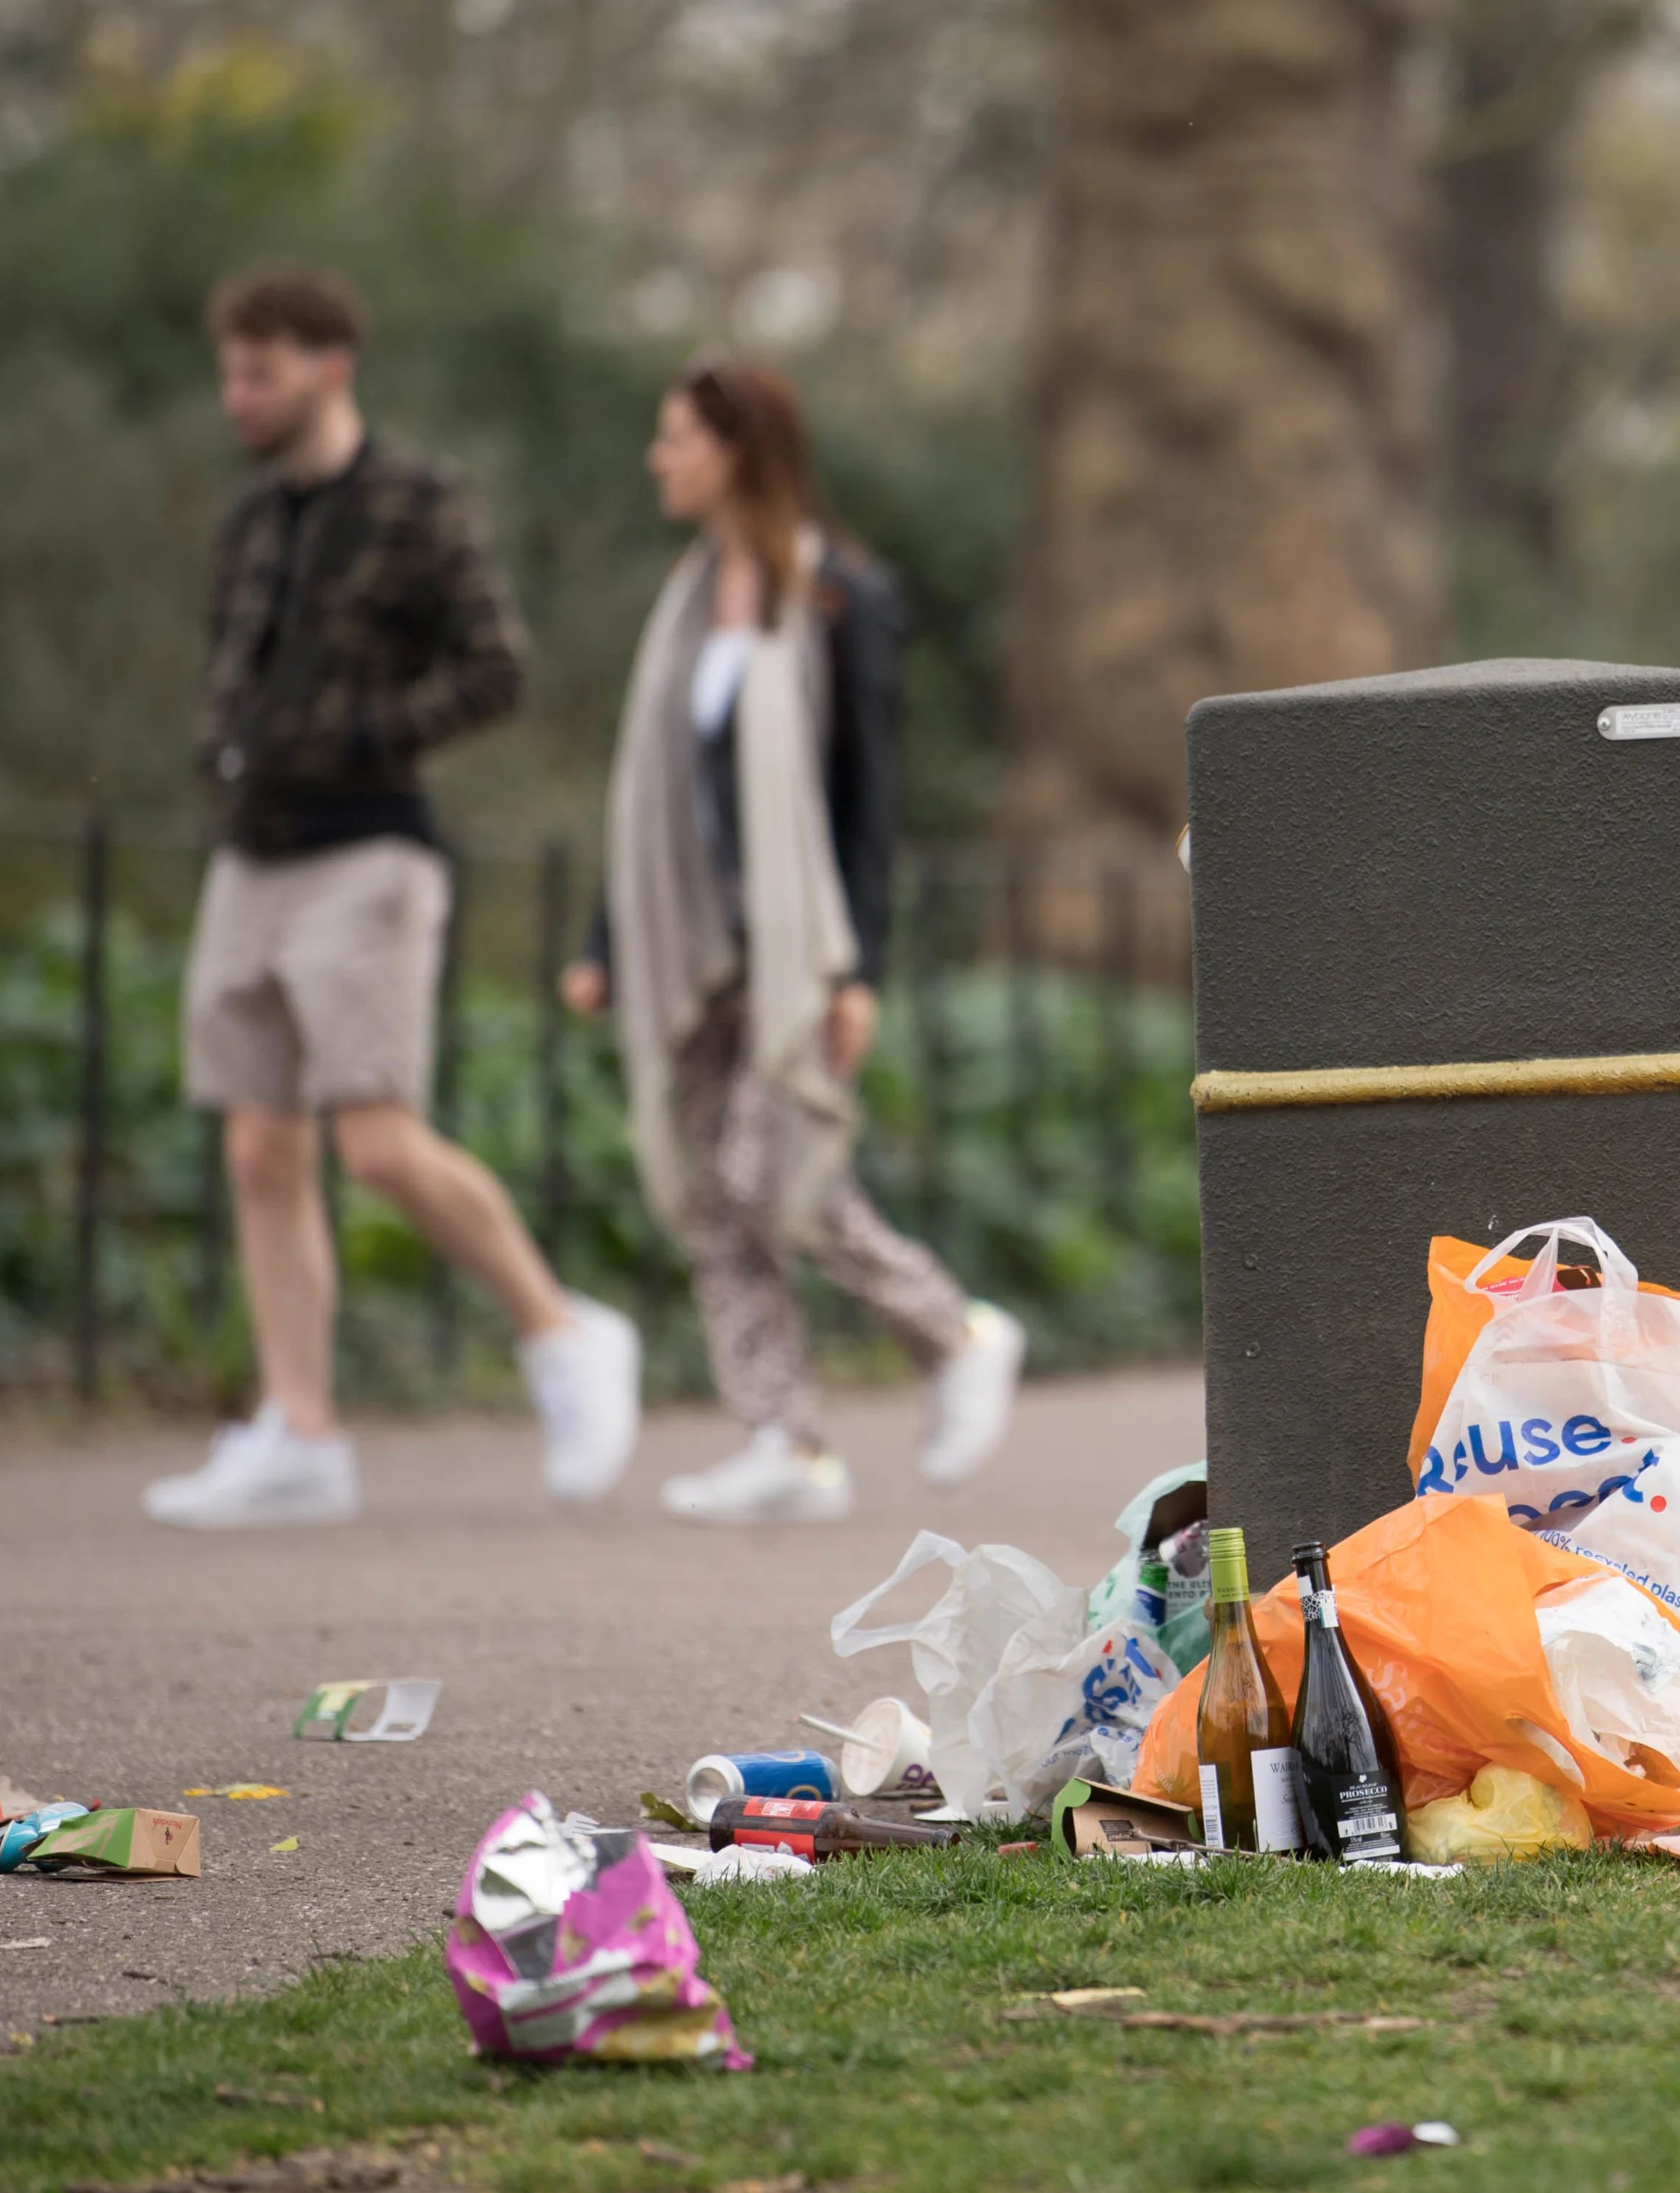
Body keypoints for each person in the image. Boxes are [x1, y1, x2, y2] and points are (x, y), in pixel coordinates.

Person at [143, 265, 641, 1530]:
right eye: (229, 371)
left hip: (369, 850)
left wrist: (357, 737)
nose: (236, 396)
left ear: (328, 368)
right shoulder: (252, 519)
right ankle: (300, 1431)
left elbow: (495, 668)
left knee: (373, 1141)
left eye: (259, 372)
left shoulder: (420, 501)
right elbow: (227, 669)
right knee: (259, 1145)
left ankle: (564, 1332)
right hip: (250, 854)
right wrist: (226, 753)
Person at [561, 353, 1024, 1524]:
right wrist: (608, 940)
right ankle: (784, 1439)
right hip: (698, 944)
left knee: (781, 1181)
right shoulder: (681, 607)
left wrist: (857, 966)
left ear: (740, 451)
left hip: (794, 947)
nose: (658, 460)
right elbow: (654, 801)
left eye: (677, 439)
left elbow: (872, 801)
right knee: (707, 1196)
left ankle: (955, 1331)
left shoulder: (840, 601)